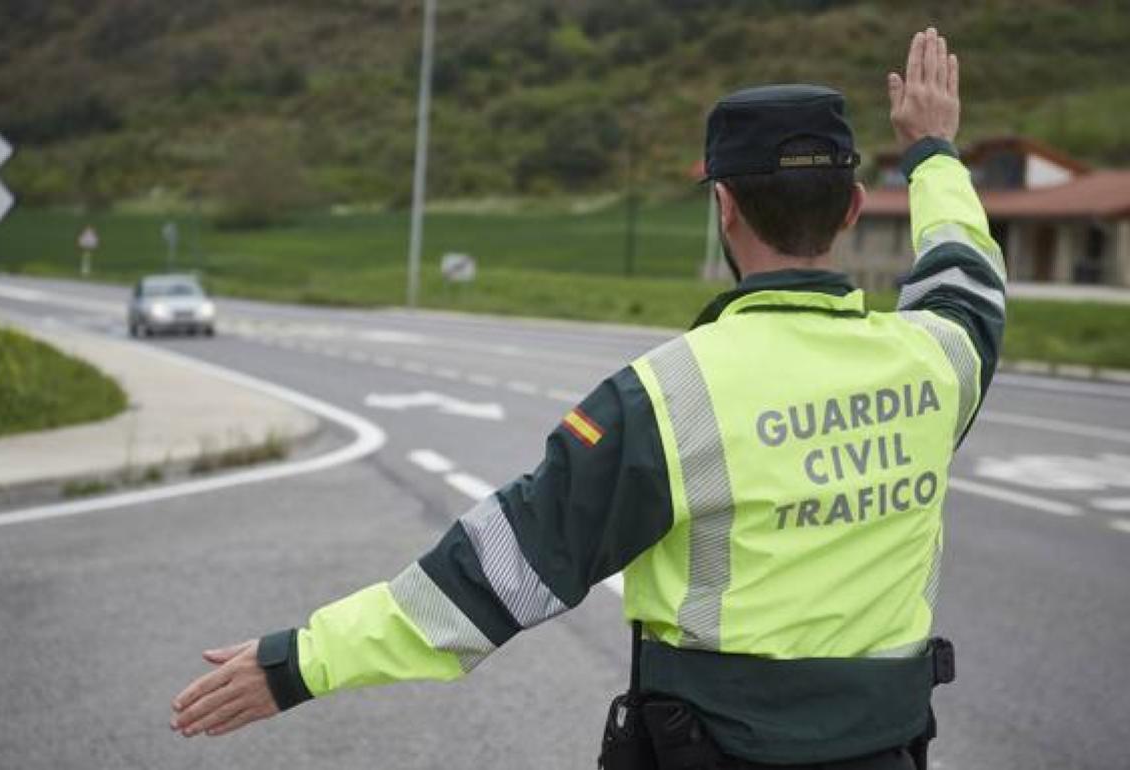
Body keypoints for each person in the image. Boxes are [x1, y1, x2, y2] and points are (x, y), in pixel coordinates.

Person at [171, 27, 1005, 769]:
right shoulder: (938, 361)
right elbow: (966, 276)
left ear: (723, 206)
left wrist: (299, 663)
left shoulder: (664, 397)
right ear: (855, 207)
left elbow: (494, 574)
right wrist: (932, 153)